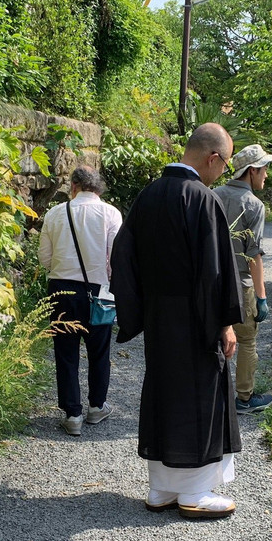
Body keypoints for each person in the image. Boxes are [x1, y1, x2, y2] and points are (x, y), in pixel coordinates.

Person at [111, 123, 244, 519]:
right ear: (212, 157)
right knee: (199, 395)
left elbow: (122, 258)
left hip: (158, 318)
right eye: (225, 163)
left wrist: (138, 311)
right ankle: (194, 493)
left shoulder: (147, 196)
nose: (223, 172)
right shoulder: (202, 199)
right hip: (197, 318)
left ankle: (161, 488)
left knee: (164, 392)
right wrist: (225, 323)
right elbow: (216, 270)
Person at [37, 166, 123, 436]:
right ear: (98, 188)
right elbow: (116, 259)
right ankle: (96, 406)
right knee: (99, 352)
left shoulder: (55, 213)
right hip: (99, 291)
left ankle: (72, 413)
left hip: (61, 289)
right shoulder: (111, 213)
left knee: (66, 353)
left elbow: (44, 259)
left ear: (73, 186)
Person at [213, 144, 272, 415]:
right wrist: (262, 297)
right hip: (240, 285)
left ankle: (211, 395)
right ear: (251, 171)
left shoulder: (212, 195)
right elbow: (254, 257)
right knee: (247, 341)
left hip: (210, 280)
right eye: (263, 170)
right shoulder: (254, 205)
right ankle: (244, 398)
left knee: (212, 338)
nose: (266, 176)